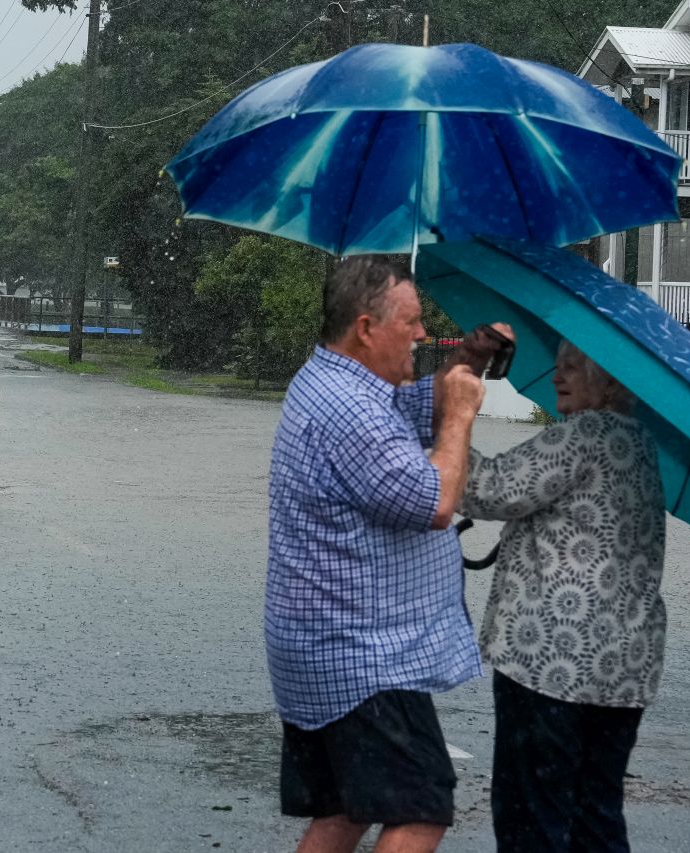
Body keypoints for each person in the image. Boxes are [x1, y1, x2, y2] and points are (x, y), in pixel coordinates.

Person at [266, 255, 506, 853]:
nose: (423, 334)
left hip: (325, 642)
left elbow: (406, 411)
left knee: (346, 810)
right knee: (422, 807)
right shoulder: (349, 410)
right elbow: (434, 501)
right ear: (368, 327)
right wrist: (460, 413)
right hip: (360, 655)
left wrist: (469, 361)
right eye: (412, 322)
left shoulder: (335, 381)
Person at [459, 341, 666, 853]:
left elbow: (488, 488)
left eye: (576, 363)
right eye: (559, 361)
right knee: (594, 815)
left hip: (552, 662)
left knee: (532, 815)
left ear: (613, 382)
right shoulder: (641, 444)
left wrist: (453, 422)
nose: (558, 373)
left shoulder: (585, 435)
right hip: (622, 671)